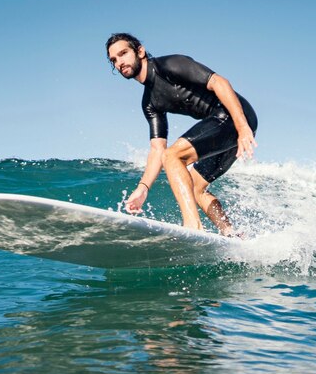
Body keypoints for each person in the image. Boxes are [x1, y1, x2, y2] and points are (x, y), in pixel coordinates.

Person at [105, 32, 258, 236]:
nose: (119, 62)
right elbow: (156, 149)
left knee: (173, 155)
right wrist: (143, 188)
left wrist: (242, 127)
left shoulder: (170, 65)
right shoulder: (150, 103)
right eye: (114, 60)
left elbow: (219, 82)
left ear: (139, 51)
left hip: (234, 115)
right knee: (195, 187)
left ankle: (192, 226)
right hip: (223, 127)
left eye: (123, 53)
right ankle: (230, 233)